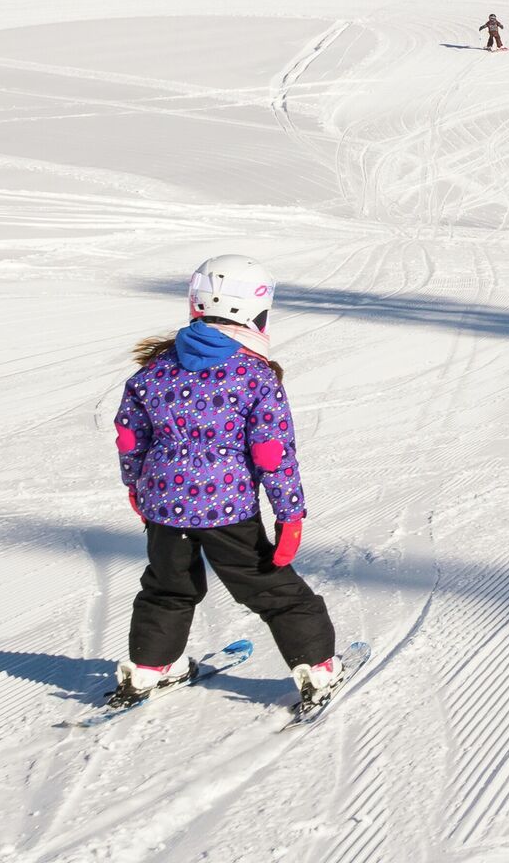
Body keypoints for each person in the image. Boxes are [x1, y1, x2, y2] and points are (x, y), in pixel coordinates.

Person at [105, 255, 345, 716]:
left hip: (164, 506)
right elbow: (272, 454)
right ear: (255, 312)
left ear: (196, 303)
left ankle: (150, 667)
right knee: (269, 588)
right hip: (225, 510)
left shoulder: (154, 370)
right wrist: (290, 513)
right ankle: (317, 666)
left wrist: (136, 487)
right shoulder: (254, 374)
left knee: (166, 586)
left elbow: (130, 437)